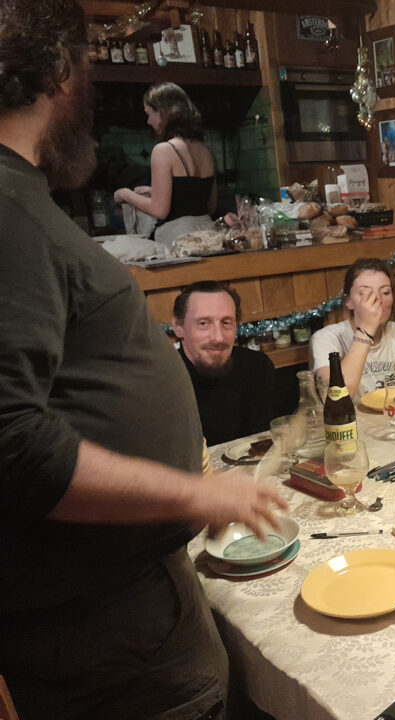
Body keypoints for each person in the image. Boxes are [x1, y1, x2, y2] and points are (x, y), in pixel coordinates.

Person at [0, 2, 286, 715]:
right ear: (58, 68)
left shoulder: (20, 198)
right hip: (103, 627)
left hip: (115, 605)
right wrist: (195, 493)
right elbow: (12, 441)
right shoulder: (7, 209)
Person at [173, 281, 275, 446]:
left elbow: (264, 442)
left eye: (226, 323)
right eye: (203, 323)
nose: (218, 338)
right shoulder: (161, 380)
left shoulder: (257, 367)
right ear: (178, 327)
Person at [113, 82, 216, 246]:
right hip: (210, 235)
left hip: (180, 239)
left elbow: (159, 210)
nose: (148, 121)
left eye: (149, 114)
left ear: (162, 111)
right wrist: (155, 191)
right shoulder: (205, 150)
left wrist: (125, 194)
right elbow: (209, 206)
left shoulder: (164, 150)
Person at [310, 258, 395, 397]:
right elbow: (336, 395)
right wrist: (366, 330)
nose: (377, 300)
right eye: (365, 294)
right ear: (348, 301)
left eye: (385, 292)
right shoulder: (326, 338)